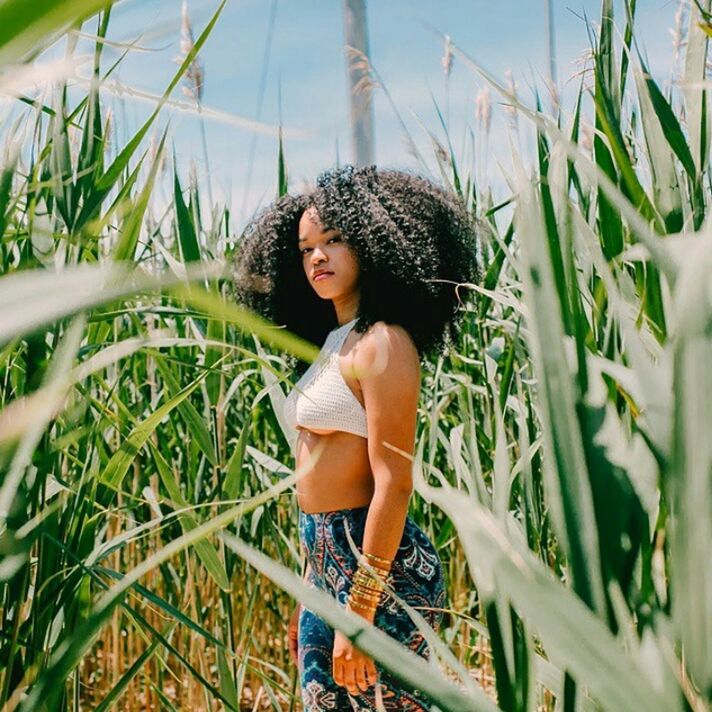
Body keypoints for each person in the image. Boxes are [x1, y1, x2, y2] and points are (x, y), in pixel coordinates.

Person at [233, 164, 479, 711]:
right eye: (305, 249)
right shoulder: (333, 342)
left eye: (334, 240)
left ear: (371, 241)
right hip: (322, 562)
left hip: (375, 571)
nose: (317, 257)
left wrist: (359, 615)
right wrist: (309, 595)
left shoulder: (383, 343)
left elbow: (393, 485)